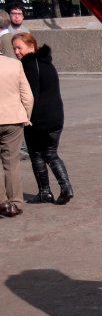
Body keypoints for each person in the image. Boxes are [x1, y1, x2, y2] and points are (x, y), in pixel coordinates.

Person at [12, 33, 73, 205]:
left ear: (31, 47)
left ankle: (46, 191)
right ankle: (64, 187)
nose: (16, 52)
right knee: (50, 153)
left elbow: (30, 95)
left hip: (38, 118)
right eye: (14, 48)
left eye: (19, 48)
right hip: (56, 117)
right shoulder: (47, 63)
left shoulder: (30, 65)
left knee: (37, 154)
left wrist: (23, 115)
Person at [0, 49, 33, 217]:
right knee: (12, 162)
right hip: (13, 119)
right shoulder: (15, 64)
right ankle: (15, 203)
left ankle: (2, 202)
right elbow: (28, 96)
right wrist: (25, 116)